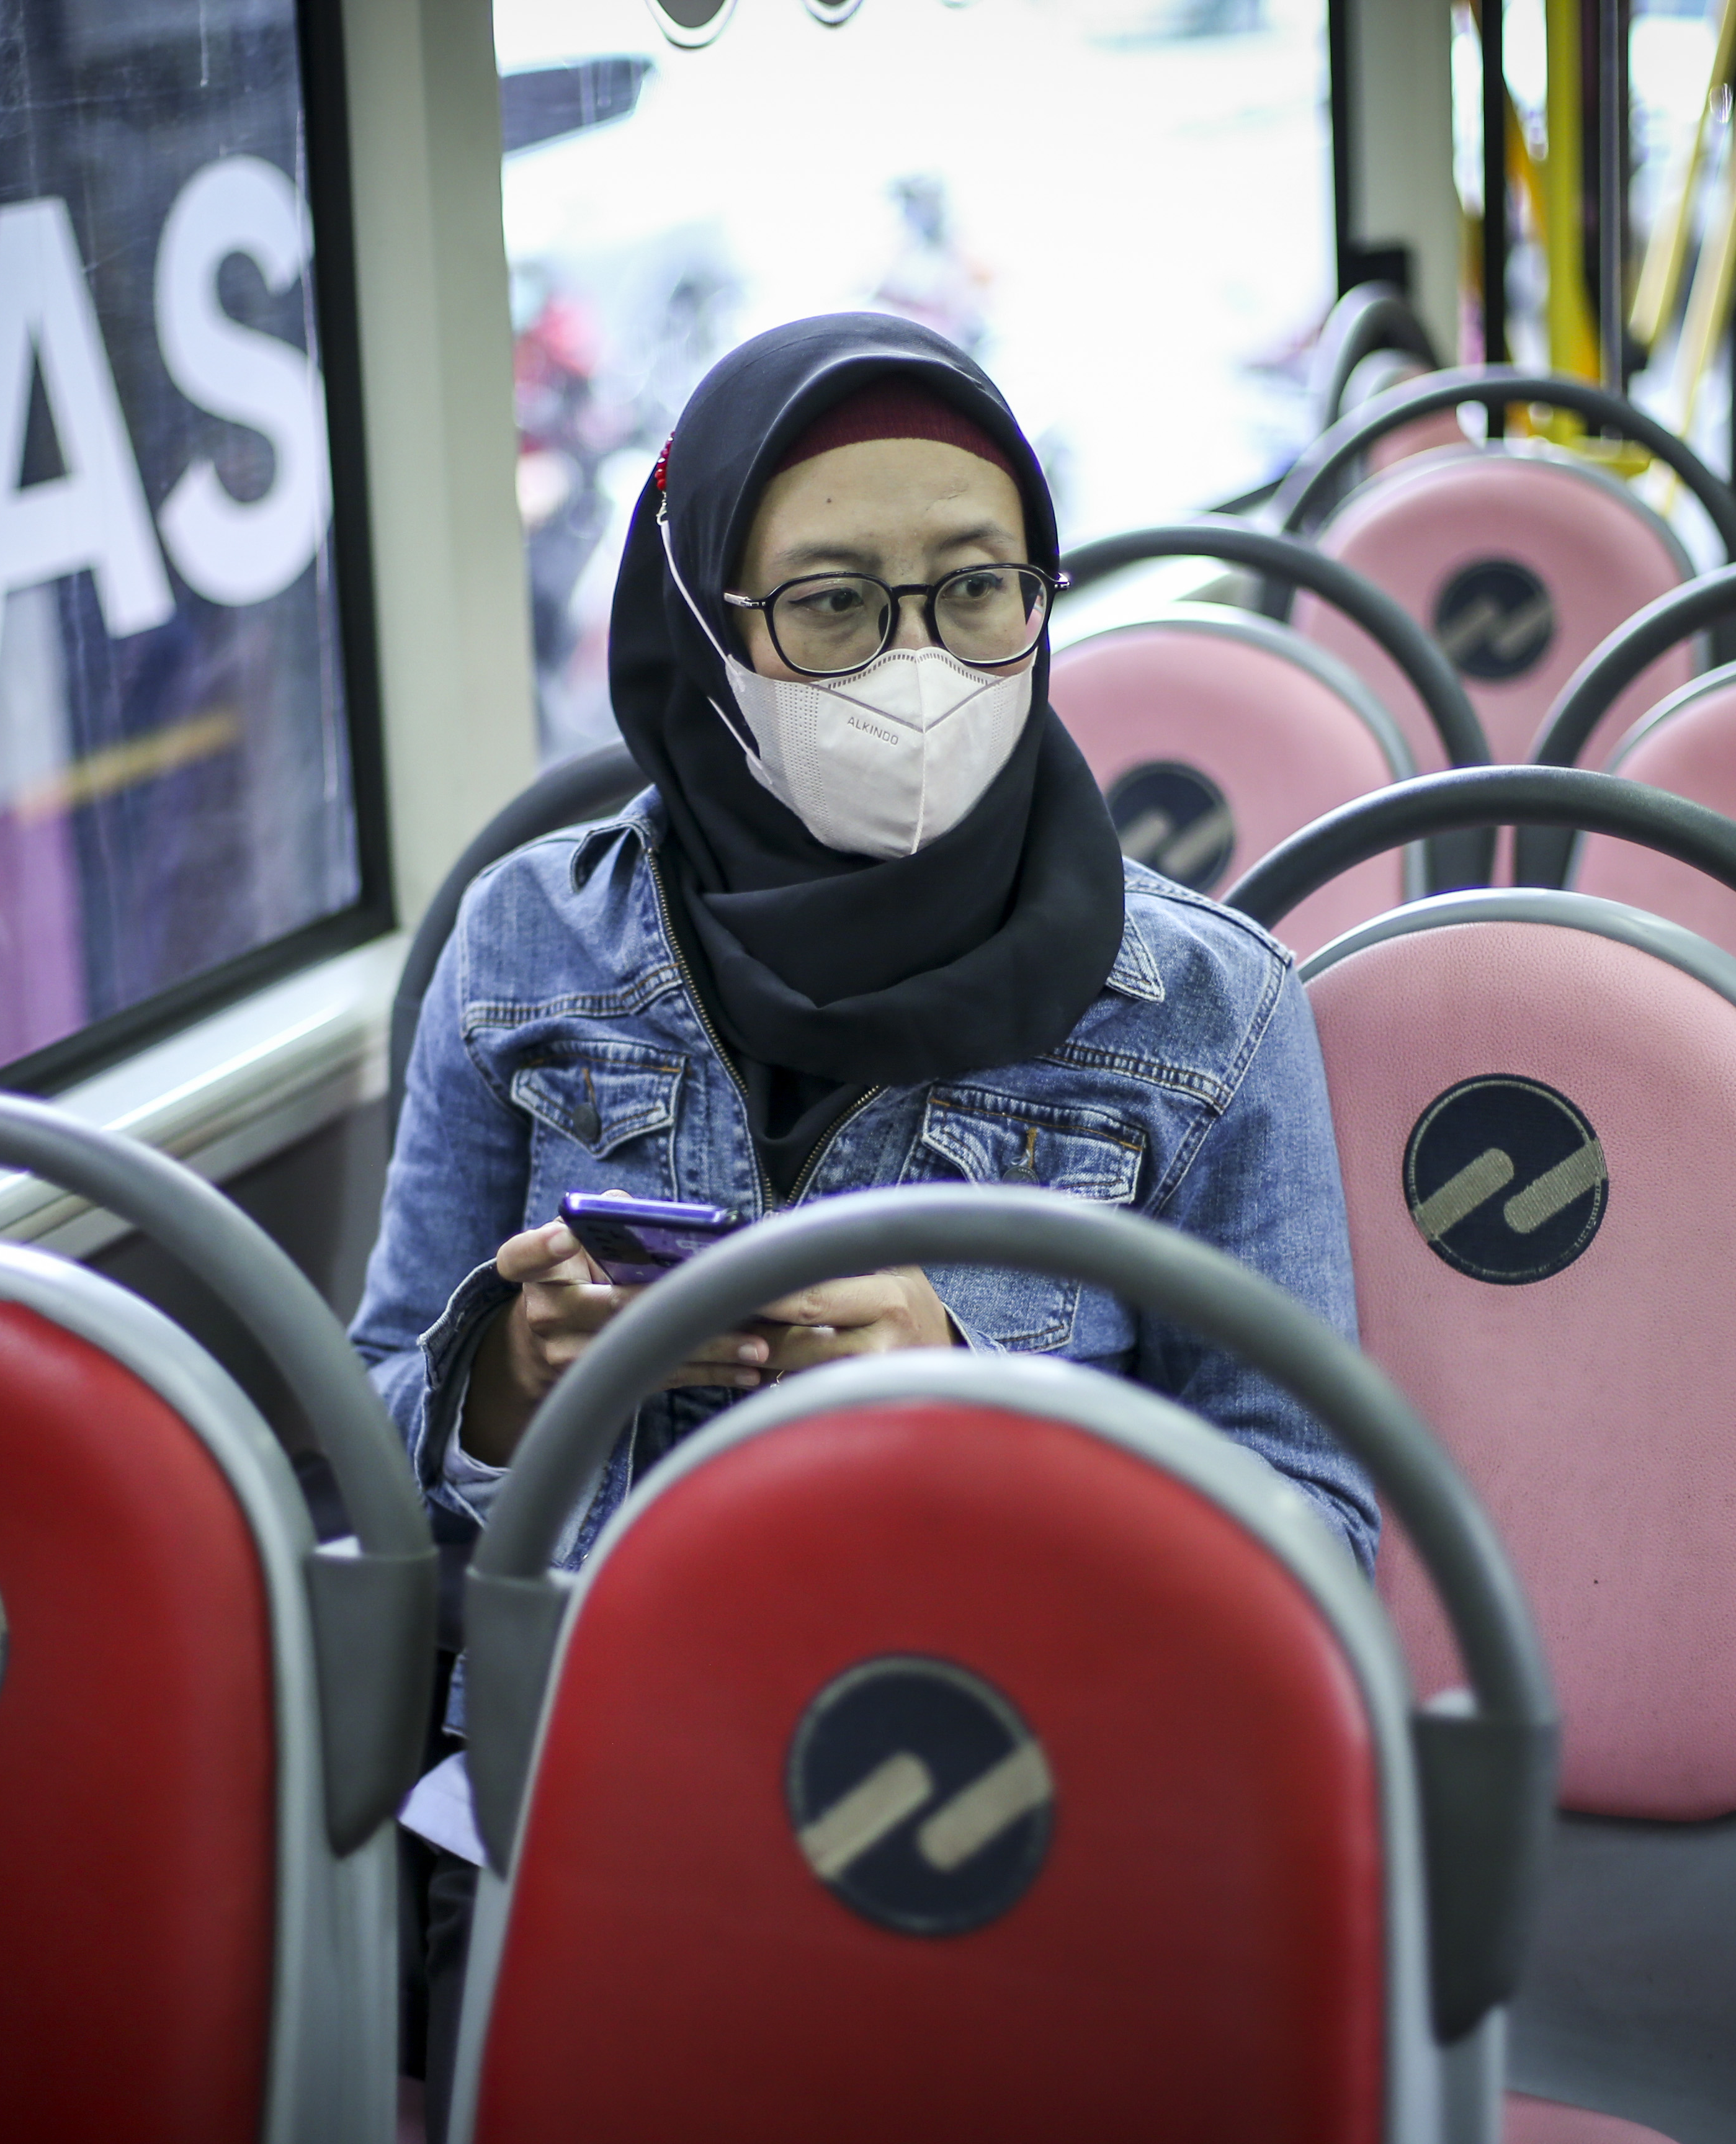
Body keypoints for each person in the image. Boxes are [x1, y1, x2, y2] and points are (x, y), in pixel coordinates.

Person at [349, 312, 1371, 2130]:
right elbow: (369, 1445)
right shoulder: (524, 946)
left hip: (1020, 1800)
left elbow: (1322, 1539)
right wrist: (513, 1385)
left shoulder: (1210, 1015)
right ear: (703, 622)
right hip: (601, 1781)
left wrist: (983, 1397)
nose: (921, 666)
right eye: (830, 606)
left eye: (978, 590)